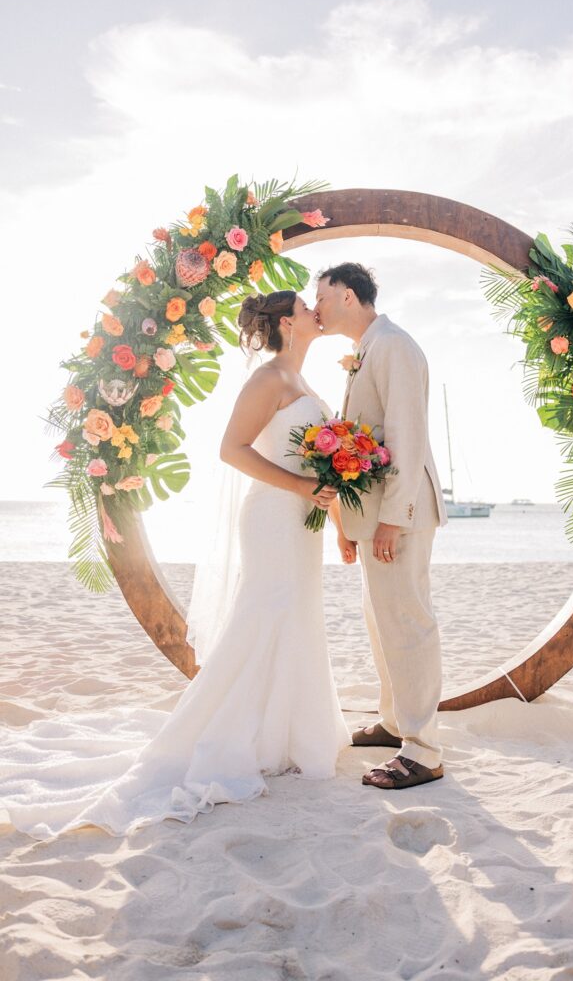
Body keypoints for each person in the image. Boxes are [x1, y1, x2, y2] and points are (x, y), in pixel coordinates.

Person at [0, 290, 351, 841]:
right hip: (271, 518)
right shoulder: (268, 380)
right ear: (287, 322)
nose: (315, 311)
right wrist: (304, 486)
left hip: (302, 523)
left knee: (299, 618)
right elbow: (232, 450)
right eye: (307, 307)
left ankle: (286, 736)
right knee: (263, 616)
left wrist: (336, 521)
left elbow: (319, 465)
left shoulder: (305, 382)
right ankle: (232, 735)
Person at [314, 263, 448, 790]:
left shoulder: (392, 346)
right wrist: (351, 523)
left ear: (348, 296)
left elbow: (407, 438)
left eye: (320, 296)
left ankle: (423, 751)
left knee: (408, 625)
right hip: (377, 517)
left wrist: (393, 519)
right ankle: (396, 724)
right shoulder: (371, 347)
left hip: (402, 514)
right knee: (382, 620)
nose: (315, 306)